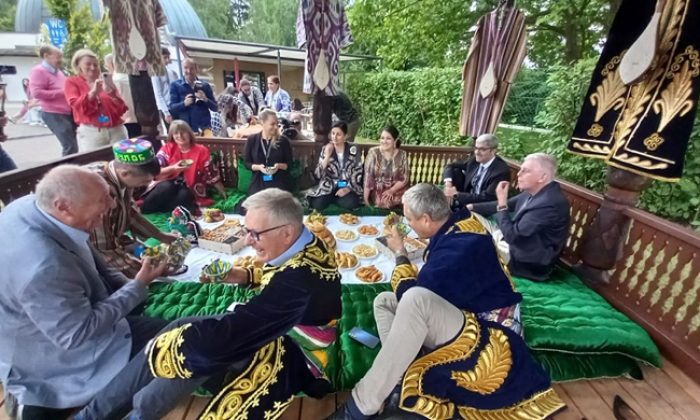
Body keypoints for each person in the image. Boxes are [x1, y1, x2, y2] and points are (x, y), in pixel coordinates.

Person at [75, 188, 342, 420]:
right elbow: (280, 277)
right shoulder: (307, 241)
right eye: (246, 231)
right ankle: (113, 413)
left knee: (192, 353)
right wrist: (243, 275)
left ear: (287, 233)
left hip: (296, 348)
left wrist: (168, 348)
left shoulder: (298, 281)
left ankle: (129, 413)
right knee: (180, 332)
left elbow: (244, 326)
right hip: (279, 322)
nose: (248, 241)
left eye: (254, 234)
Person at [328, 183, 564, 420]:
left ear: (427, 219)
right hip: (465, 310)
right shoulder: (460, 223)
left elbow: (413, 295)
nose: (406, 224)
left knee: (415, 299)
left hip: (491, 333)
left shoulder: (460, 248)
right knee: (383, 301)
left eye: (409, 219)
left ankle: (359, 407)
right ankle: (399, 378)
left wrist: (400, 252)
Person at [0, 165, 168, 419]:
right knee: (169, 347)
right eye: (103, 200)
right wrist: (137, 286)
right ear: (63, 207)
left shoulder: (34, 206)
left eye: (110, 196)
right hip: (54, 358)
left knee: (169, 333)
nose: (112, 206)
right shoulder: (44, 265)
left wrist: (128, 285)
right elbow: (76, 334)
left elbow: (91, 258)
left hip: (63, 320)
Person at [470, 153, 570, 281]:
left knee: (470, 247)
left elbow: (513, 236)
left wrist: (501, 204)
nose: (518, 174)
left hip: (526, 260)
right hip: (513, 245)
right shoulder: (533, 193)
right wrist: (471, 207)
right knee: (470, 218)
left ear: (542, 177)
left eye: (525, 171)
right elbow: (507, 204)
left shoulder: (549, 203)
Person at [86, 138, 177, 278]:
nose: (146, 185)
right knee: (144, 268)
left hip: (114, 238)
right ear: (125, 173)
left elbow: (130, 213)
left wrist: (160, 235)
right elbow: (104, 247)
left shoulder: (120, 175)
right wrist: (146, 271)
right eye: (144, 181)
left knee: (145, 252)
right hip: (88, 253)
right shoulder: (99, 190)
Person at [141, 120, 225, 214]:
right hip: (168, 182)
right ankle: (146, 209)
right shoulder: (168, 148)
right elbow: (155, 171)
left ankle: (165, 208)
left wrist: (222, 191)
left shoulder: (201, 150)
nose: (180, 136)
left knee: (184, 195)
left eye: (183, 132)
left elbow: (211, 173)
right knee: (166, 187)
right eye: (176, 133)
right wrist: (174, 168)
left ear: (189, 133)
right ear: (172, 135)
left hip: (191, 187)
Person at [64, 49, 129, 152]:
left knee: (124, 162)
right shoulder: (72, 82)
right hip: (92, 132)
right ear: (78, 66)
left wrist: (113, 95)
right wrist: (93, 93)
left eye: (96, 64)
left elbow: (122, 108)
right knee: (96, 163)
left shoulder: (105, 80)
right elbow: (76, 105)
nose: (93, 67)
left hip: (117, 130)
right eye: (88, 64)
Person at [29, 45, 78, 155]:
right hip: (54, 113)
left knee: (73, 146)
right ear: (46, 56)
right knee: (70, 147)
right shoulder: (38, 71)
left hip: (66, 112)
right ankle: (66, 171)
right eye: (58, 57)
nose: (61, 60)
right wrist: (62, 92)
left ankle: (72, 169)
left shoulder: (58, 72)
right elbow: (36, 93)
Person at [443, 133, 511, 209]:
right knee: (455, 171)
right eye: (476, 148)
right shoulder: (474, 160)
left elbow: (487, 198)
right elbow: (450, 166)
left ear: (493, 151)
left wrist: (456, 194)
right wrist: (448, 184)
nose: (477, 152)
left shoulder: (501, 171)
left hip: (481, 206)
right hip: (466, 197)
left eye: (482, 149)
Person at [306, 121, 363, 210]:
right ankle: (334, 197)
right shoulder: (326, 149)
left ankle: (333, 198)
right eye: (333, 133)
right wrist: (327, 156)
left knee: (352, 202)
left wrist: (347, 189)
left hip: (346, 184)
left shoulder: (353, 149)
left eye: (338, 134)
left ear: (345, 136)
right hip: (330, 185)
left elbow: (358, 171)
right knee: (317, 204)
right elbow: (318, 174)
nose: (334, 137)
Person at [243, 109, 294, 196]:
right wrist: (259, 167)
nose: (276, 127)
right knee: (257, 200)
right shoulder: (252, 140)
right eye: (272, 124)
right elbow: (247, 163)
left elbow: (290, 165)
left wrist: (279, 166)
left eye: (277, 124)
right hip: (259, 179)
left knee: (277, 199)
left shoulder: (283, 141)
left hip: (279, 179)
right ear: (262, 123)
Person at [363, 124, 409, 209]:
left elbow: (404, 178)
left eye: (388, 138)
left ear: (395, 141)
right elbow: (368, 177)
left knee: (408, 200)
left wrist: (392, 190)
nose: (384, 141)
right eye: (382, 138)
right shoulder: (374, 153)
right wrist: (365, 199)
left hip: (397, 189)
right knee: (384, 202)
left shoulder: (402, 154)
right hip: (379, 190)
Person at [168, 59, 217, 135]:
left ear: (196, 69)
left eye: (191, 68)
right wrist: (184, 104)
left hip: (204, 129)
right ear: (182, 68)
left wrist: (205, 99)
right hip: (185, 130)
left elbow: (215, 107)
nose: (189, 71)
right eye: (186, 68)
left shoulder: (205, 86)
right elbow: (172, 109)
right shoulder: (175, 85)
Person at [105, 53, 141, 138]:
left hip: (126, 117)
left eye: (107, 66)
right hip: (139, 115)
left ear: (112, 64)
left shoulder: (114, 79)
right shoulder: (130, 76)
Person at [150, 47, 178, 128]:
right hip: (166, 107)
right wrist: (166, 112)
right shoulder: (156, 73)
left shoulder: (171, 72)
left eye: (168, 57)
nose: (167, 60)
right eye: (165, 57)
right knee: (171, 130)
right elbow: (158, 94)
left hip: (175, 105)